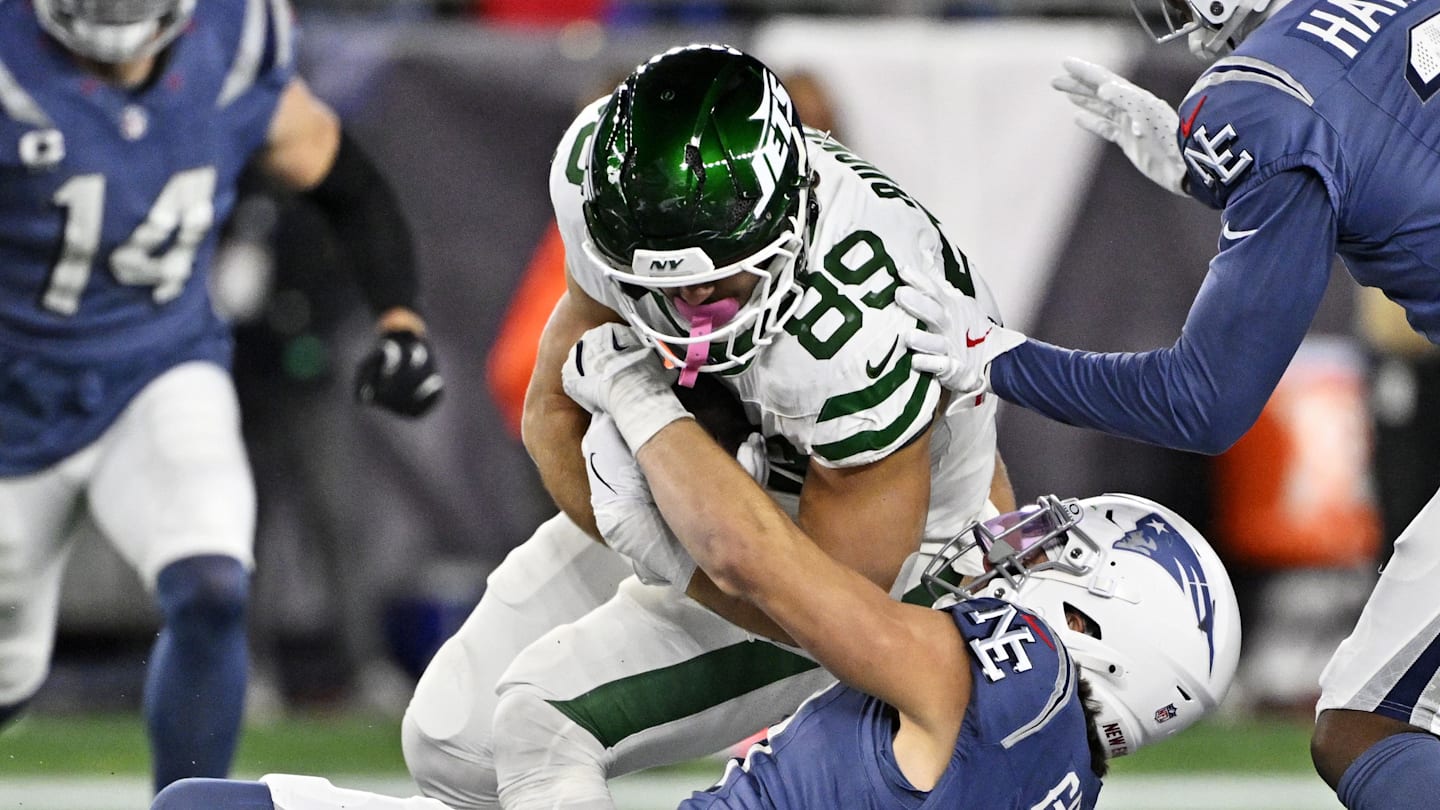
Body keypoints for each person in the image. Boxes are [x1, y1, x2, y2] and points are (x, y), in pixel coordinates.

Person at [401, 43, 1015, 810]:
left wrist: (670, 548)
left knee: (541, 721)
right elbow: (552, 417)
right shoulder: (596, 183)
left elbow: (842, 615)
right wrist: (665, 509)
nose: (691, 308)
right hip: (721, 475)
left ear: (788, 221)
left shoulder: (868, 336)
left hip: (903, 565)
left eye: (719, 276)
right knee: (452, 743)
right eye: (661, 284)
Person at [889, 0, 1440, 806]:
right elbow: (1383, 147)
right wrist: (1209, 175)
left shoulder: (1269, 92)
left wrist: (998, 358)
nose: (1184, 21)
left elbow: (1202, 403)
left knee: (1369, 726)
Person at [146, 441, 1241, 809]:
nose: (1027, 544)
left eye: (1062, 553)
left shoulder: (993, 679)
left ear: (1102, 622)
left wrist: (642, 415)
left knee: (524, 723)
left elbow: (773, 575)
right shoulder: (1052, 766)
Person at [0, 0, 443, 794]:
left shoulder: (234, 40)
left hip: (158, 368)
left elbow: (342, 178)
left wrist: (400, 319)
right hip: (13, 399)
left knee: (212, 585)